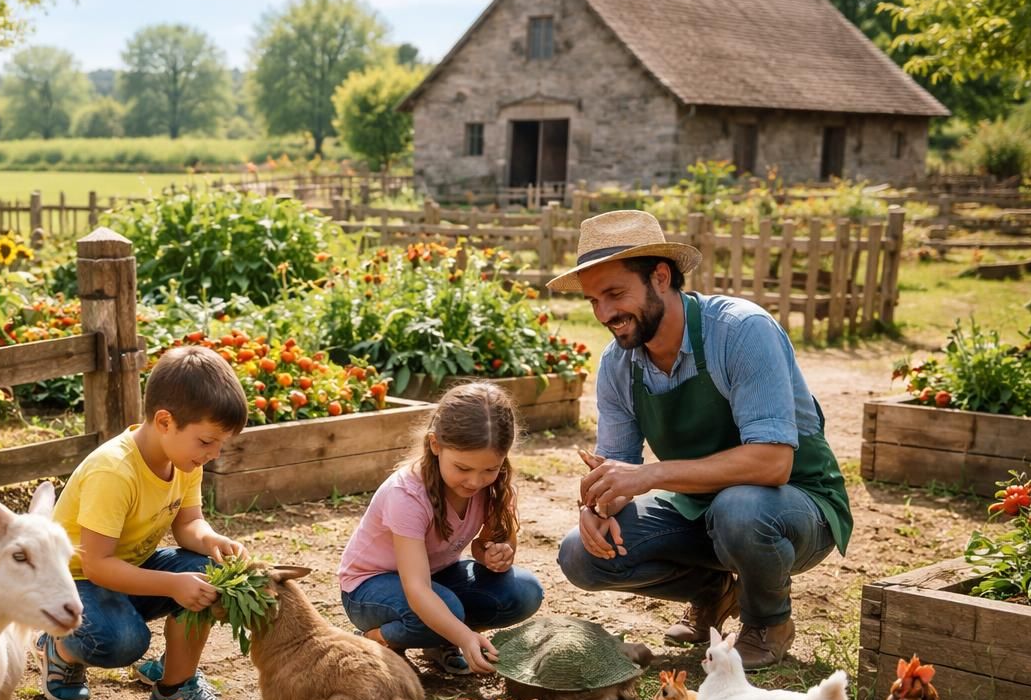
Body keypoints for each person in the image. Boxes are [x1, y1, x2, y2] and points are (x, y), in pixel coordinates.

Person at [551, 210, 852, 670]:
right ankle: (713, 591)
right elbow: (613, 466)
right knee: (580, 555)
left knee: (740, 509)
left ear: (660, 277)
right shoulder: (618, 365)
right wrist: (597, 507)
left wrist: (651, 475)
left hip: (795, 506)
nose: (605, 314)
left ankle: (767, 621)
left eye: (615, 294)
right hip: (700, 507)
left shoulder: (740, 330)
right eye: (594, 300)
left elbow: (773, 464)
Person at [38, 345, 250, 700]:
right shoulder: (115, 471)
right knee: (121, 642)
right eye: (207, 442)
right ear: (165, 421)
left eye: (221, 444)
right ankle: (60, 645)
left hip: (126, 570)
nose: (214, 453)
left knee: (209, 574)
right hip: (75, 580)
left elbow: (189, 524)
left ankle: (175, 686)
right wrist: (172, 584)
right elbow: (97, 565)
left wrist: (211, 541)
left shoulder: (183, 459)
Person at [338, 382, 545, 675]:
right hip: (368, 588)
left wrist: (495, 555)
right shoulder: (407, 494)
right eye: (462, 468)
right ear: (436, 445)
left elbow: (483, 547)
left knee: (523, 591)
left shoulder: (495, 488)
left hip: (436, 576)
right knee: (447, 610)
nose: (475, 481)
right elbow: (416, 589)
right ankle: (374, 639)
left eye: (489, 469)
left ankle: (436, 637)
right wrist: (464, 636)